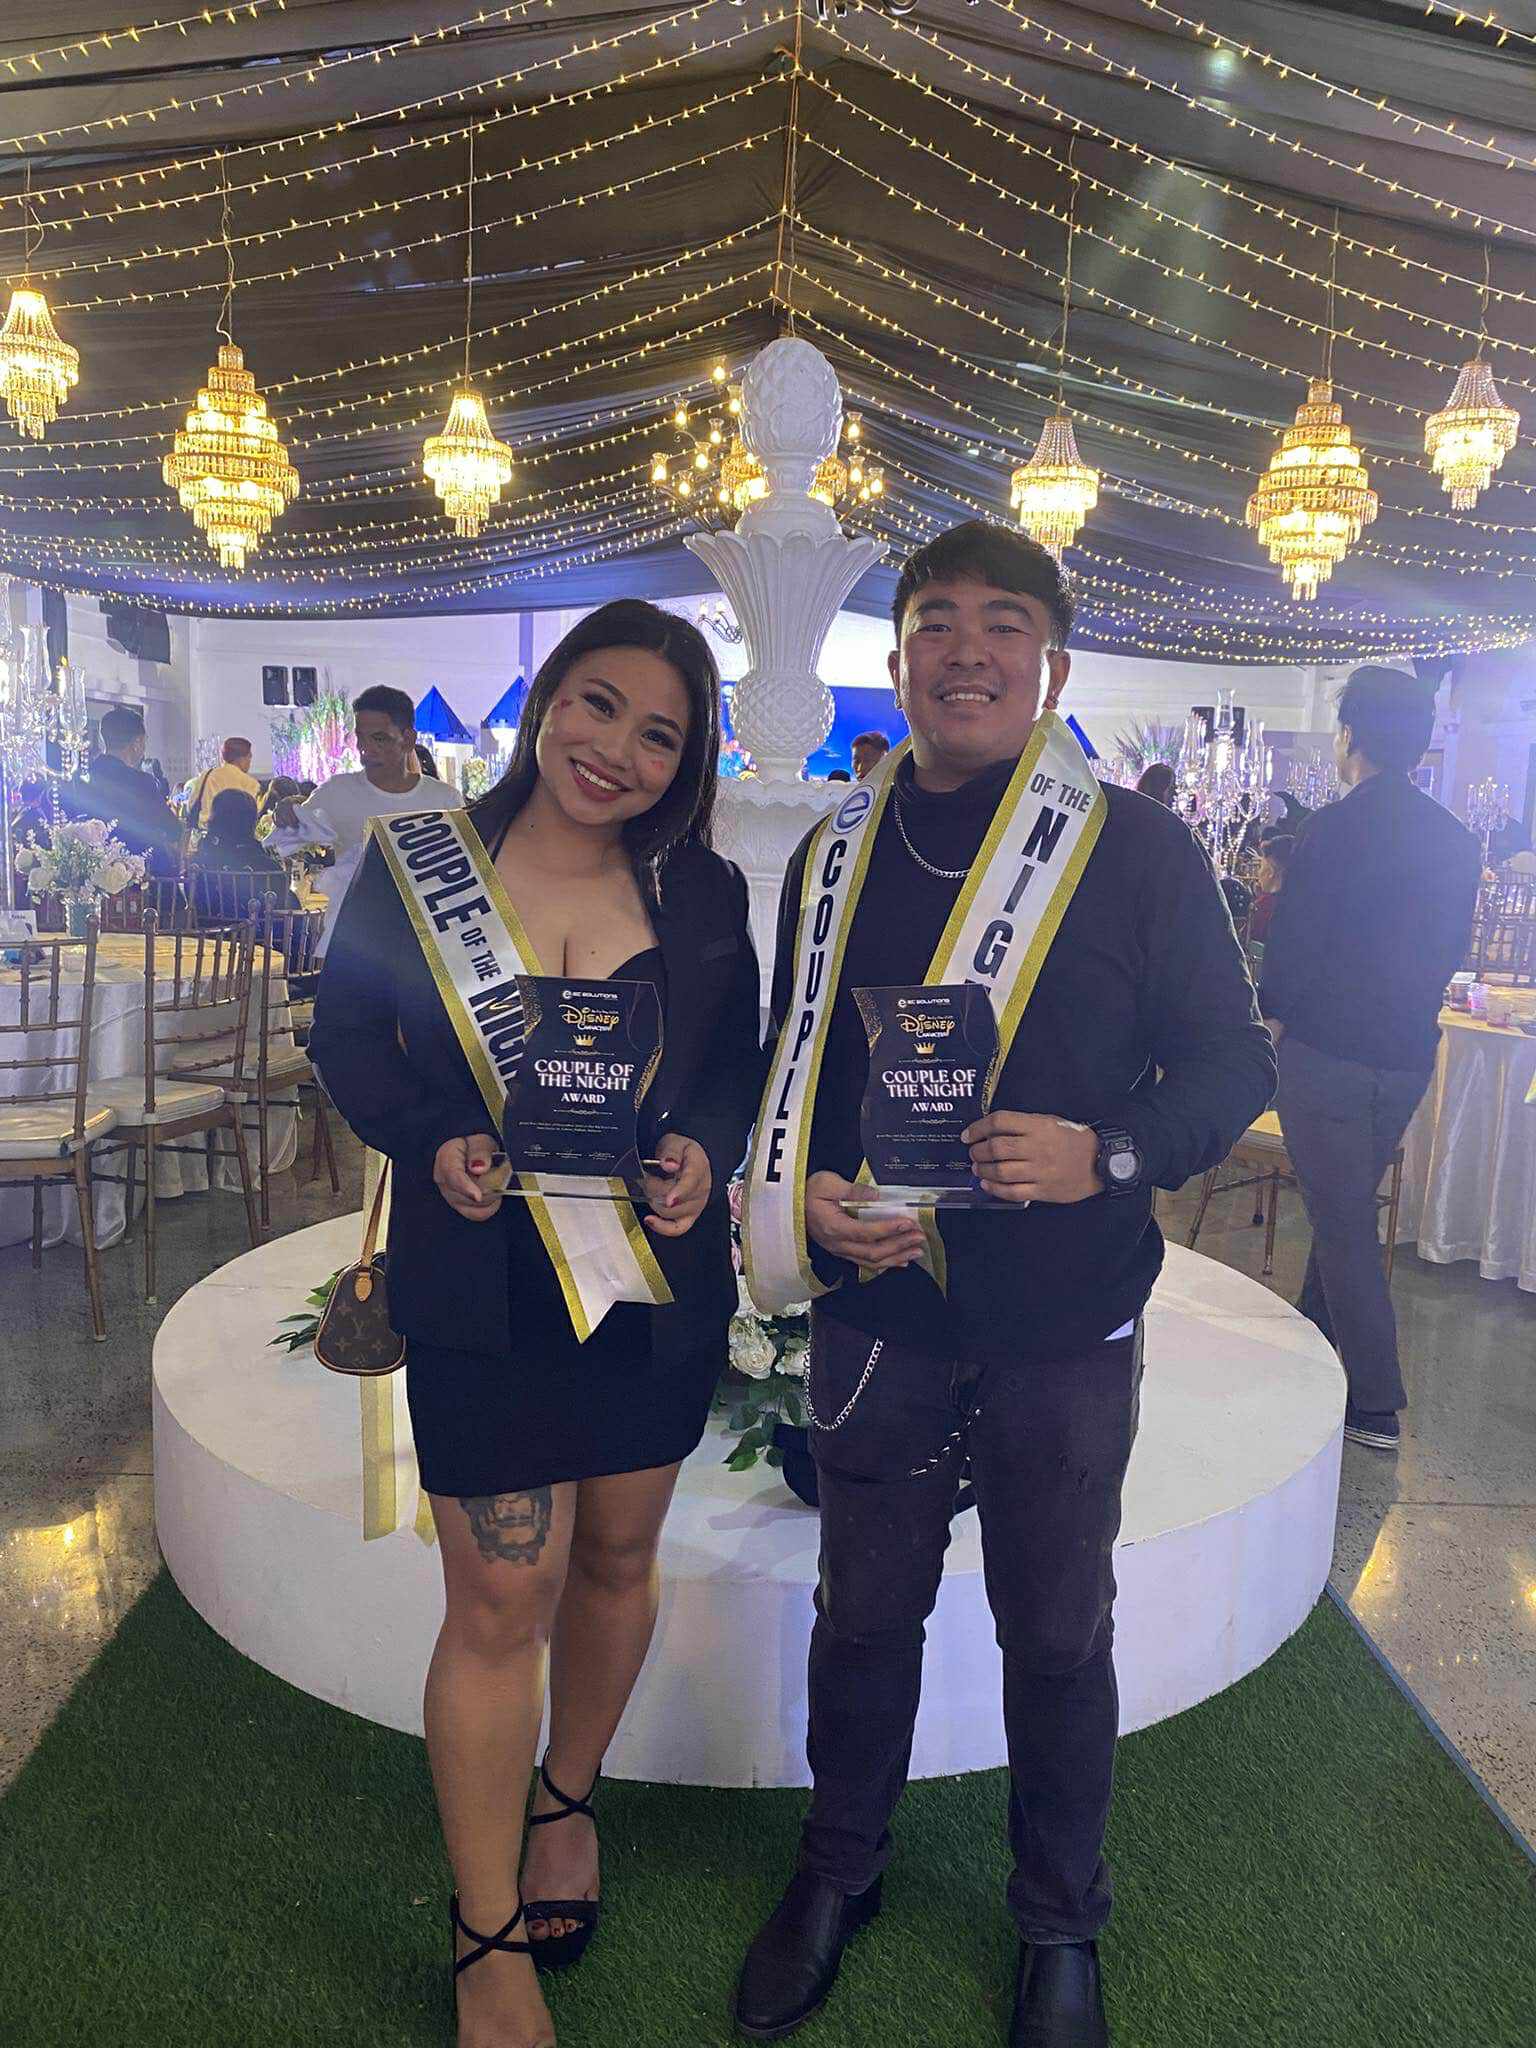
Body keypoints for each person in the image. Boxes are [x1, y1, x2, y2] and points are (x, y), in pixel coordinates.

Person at [734, 521, 1275, 2048]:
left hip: (1064, 1320)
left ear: (1052, 665)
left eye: (1002, 624)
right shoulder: (835, 850)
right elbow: (795, 1068)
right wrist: (808, 1192)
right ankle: (841, 1869)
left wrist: (1110, 1151)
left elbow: (1233, 1063)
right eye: (936, 622)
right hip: (879, 1315)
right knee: (862, 1614)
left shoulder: (1136, 848)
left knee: (1056, 1631)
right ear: (900, 654)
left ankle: (1059, 1922)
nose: (965, 651)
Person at [308, 601, 761, 2048]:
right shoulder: (419, 865)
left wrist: (701, 1151)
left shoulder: (703, 893)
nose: (616, 747)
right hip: (482, 1291)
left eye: (660, 733)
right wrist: (432, 1133)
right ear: (548, 698)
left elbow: (734, 1066)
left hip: (647, 1291)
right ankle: (484, 1928)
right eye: (597, 702)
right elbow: (344, 1038)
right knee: (503, 1601)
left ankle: (569, 1798)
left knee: (618, 1557)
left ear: (688, 762)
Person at [1259, 666, 1480, 1452]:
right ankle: (1311, 1343)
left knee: (1343, 1218)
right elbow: (1449, 952)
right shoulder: (1455, 840)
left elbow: (1294, 946)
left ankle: (1375, 1400)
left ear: (1350, 736)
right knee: (1345, 1203)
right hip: (1407, 1052)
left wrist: (1269, 1028)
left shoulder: (1334, 829)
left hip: (1328, 1053)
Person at [266, 685, 462, 956]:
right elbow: (291, 826)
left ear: (407, 739)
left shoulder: (444, 799)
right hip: (355, 940)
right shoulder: (337, 791)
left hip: (424, 944)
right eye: (361, 738)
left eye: (379, 739)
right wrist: (287, 809)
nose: (366, 749)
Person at [66, 706, 184, 885]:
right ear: (137, 743)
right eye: (144, 742)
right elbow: (172, 829)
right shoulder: (141, 782)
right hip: (139, 876)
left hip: (92, 875)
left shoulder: (81, 778)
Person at [188, 790, 299, 925]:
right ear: (251, 822)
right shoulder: (267, 866)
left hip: (209, 932)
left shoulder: (200, 862)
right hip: (259, 934)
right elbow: (280, 908)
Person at [189, 736, 261, 832]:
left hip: (201, 835)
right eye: (249, 757)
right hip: (231, 836)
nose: (249, 763)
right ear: (241, 759)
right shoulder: (249, 783)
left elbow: (191, 804)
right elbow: (251, 816)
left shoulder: (206, 775)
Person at [1247, 834, 1292, 943]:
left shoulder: (1264, 906)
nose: (1259, 873)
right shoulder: (1295, 902)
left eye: (1261, 867)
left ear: (1271, 871)